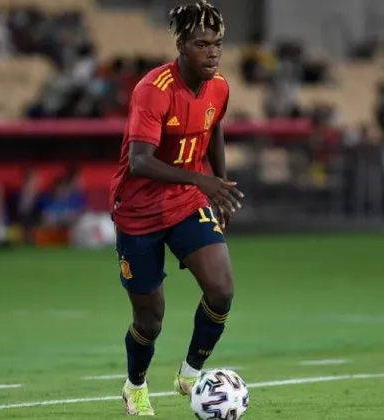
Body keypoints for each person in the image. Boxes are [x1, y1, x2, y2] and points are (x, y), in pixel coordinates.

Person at [109, 1, 243, 415]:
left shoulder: (219, 86)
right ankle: (135, 385)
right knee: (150, 320)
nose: (212, 53)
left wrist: (219, 186)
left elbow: (214, 127)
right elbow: (140, 162)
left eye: (217, 44)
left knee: (221, 289)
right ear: (181, 46)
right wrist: (202, 180)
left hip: (185, 202)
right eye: (202, 45)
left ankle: (190, 373)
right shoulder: (153, 89)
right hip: (139, 212)